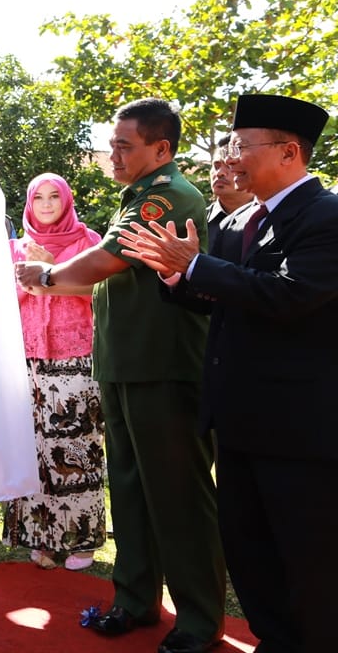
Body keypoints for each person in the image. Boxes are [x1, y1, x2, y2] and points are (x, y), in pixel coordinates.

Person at [118, 94, 337, 653]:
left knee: (308, 561)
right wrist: (178, 276)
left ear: (289, 152)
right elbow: (227, 299)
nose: (231, 158)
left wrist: (195, 264)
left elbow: (289, 296)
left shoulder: (326, 216)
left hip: (298, 431)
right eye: (230, 146)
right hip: (237, 420)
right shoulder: (243, 221)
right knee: (251, 553)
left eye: (242, 146)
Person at [15, 98, 225, 653]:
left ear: (162, 148)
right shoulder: (135, 197)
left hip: (162, 367)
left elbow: (105, 261)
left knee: (177, 497)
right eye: (112, 144)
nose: (113, 155)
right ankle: (134, 601)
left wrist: (46, 275)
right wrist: (53, 279)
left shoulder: (168, 196)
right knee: (131, 491)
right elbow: (108, 279)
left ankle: (200, 622)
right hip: (124, 365)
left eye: (124, 146)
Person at [2, 173, 105, 571]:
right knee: (32, 451)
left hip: (75, 358)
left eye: (54, 197)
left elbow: (102, 292)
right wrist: (27, 274)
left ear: (66, 201)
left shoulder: (88, 243)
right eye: (39, 198)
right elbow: (2, 300)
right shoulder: (14, 248)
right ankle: (41, 537)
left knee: (76, 448)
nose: (46, 204)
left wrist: (52, 267)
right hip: (26, 359)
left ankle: (81, 541)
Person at [206, 135, 254, 246]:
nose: (219, 173)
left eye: (229, 166)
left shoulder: (267, 219)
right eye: (216, 166)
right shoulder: (196, 222)